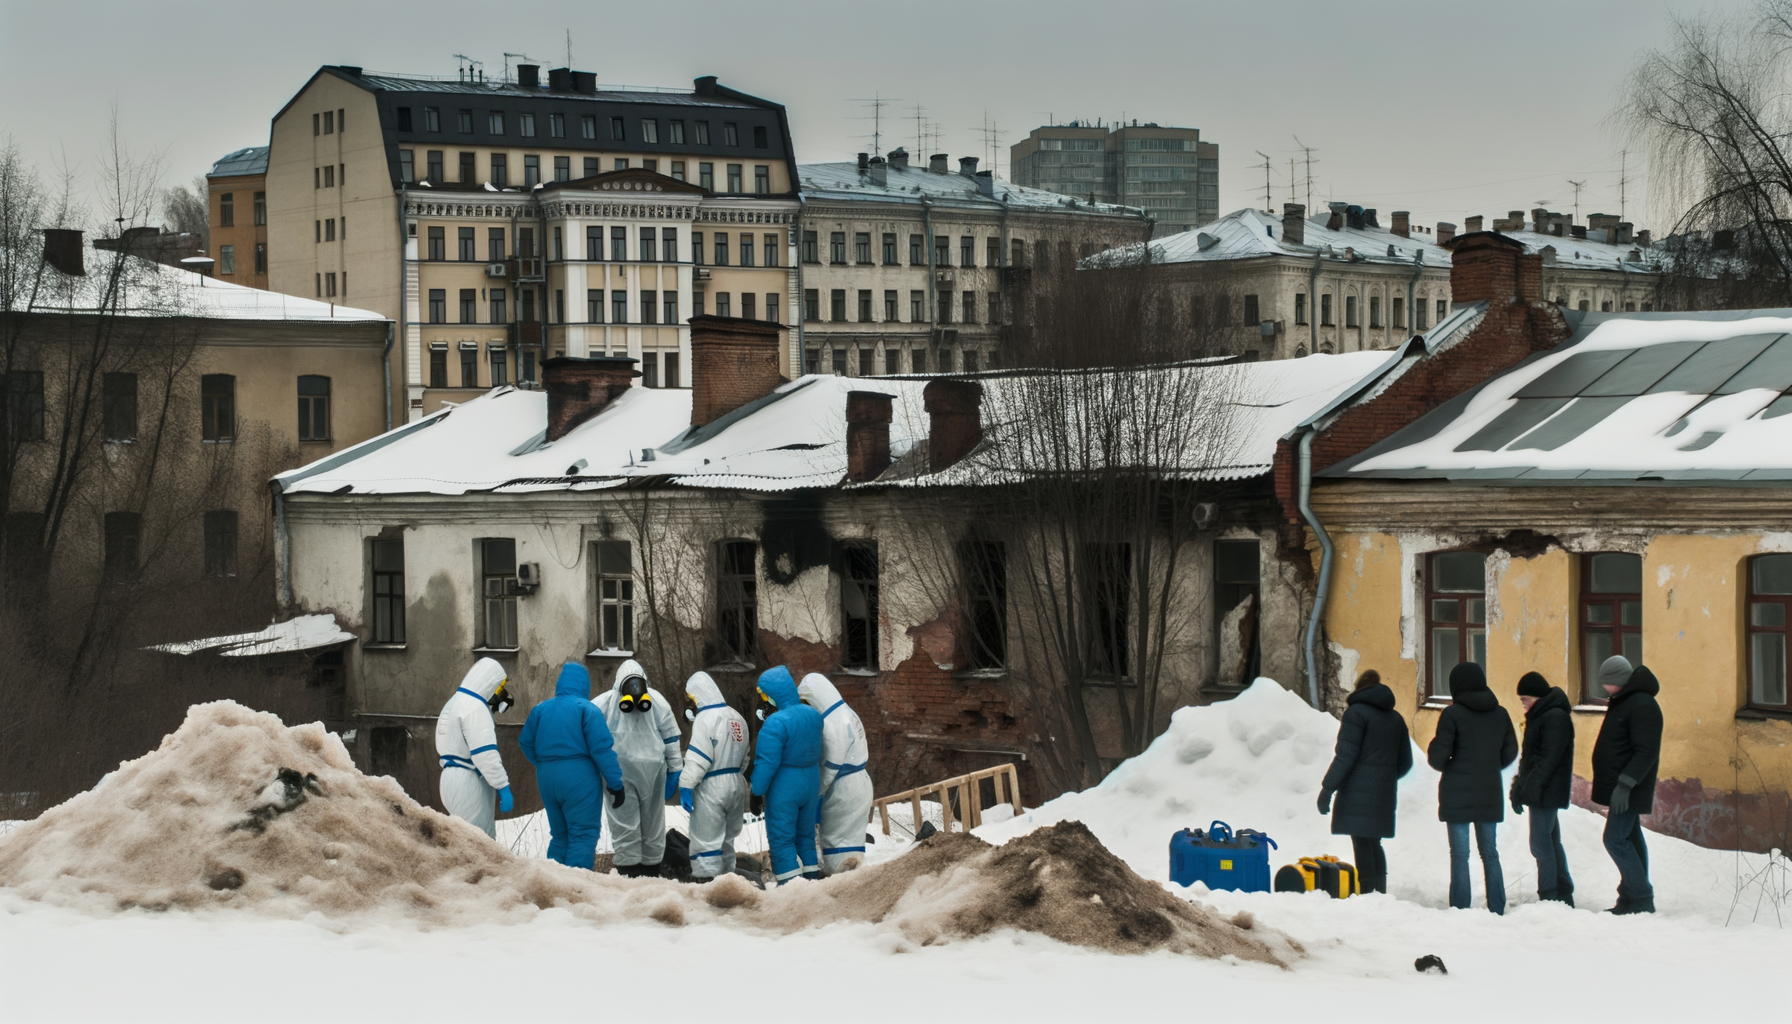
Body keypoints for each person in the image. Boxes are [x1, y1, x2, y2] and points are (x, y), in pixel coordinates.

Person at [1427, 662, 1518, 913]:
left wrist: (1451, 761)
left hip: (1457, 792)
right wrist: (1489, 766)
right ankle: (1497, 907)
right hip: (1489, 790)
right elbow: (1511, 750)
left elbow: (1437, 758)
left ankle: (1460, 908)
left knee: (1460, 855)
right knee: (1490, 853)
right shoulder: (1500, 713)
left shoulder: (1452, 714)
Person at [518, 662, 625, 869]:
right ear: (585, 685)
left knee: (560, 836)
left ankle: (551, 886)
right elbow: (601, 749)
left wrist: (542, 763)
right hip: (579, 777)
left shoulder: (540, 709)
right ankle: (575, 892)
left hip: (546, 777)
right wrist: (615, 783)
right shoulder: (587, 710)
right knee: (582, 834)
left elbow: (525, 742)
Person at [1317, 669, 1412, 895]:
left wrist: (1327, 789)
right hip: (1384, 791)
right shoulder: (1396, 718)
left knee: (1361, 842)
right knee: (1374, 842)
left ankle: (1368, 894)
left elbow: (1345, 756)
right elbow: (1406, 762)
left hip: (1357, 791)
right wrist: (1384, 777)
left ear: (1359, 688)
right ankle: (1379, 893)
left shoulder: (1356, 714)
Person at [593, 659, 683, 878]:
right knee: (653, 822)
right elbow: (671, 740)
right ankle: (650, 871)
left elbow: (589, 734)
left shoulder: (603, 702)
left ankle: (630, 873)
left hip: (618, 772)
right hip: (651, 771)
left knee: (624, 822)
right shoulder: (658, 700)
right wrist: (675, 770)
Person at [1590, 655, 1663, 915]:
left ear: (1619, 680)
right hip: (1621, 785)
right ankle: (1631, 901)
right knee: (1629, 836)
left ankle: (1641, 897)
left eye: (1607, 683)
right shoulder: (1625, 701)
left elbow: (1646, 751)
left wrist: (1625, 784)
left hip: (1628, 787)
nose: (1604, 688)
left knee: (1614, 839)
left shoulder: (1642, 705)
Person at [750, 666, 824, 884]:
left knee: (782, 841)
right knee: (806, 838)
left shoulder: (776, 722)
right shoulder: (813, 715)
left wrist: (756, 791)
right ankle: (812, 882)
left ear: (772, 695)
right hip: (810, 782)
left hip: (784, 786)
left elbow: (766, 763)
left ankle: (791, 892)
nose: (763, 702)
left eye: (764, 696)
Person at [798, 673, 875, 875]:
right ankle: (853, 879)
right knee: (851, 841)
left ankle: (840, 889)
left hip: (843, 789)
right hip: (860, 783)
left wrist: (815, 792)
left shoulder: (832, 723)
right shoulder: (847, 713)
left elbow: (830, 766)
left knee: (836, 845)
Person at [676, 671, 749, 882]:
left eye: (691, 698)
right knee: (727, 841)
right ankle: (727, 883)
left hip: (712, 784)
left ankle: (706, 885)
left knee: (706, 841)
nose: (691, 704)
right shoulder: (737, 717)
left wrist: (686, 785)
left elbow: (699, 758)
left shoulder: (705, 719)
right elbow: (745, 756)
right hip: (736, 781)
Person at [1512, 671, 1575, 906]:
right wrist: (1519, 786)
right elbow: (1529, 757)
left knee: (1540, 844)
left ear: (1536, 697)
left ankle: (1549, 896)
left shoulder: (1554, 717)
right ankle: (1562, 893)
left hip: (1546, 790)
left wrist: (1529, 788)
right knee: (1550, 841)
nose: (1523, 704)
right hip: (1542, 789)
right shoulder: (1541, 715)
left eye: (1524, 699)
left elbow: (1548, 759)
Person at [435, 657, 515, 838]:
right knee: (479, 843)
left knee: (460, 840)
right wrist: (502, 785)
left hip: (448, 778)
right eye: (499, 688)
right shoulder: (476, 708)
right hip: (469, 781)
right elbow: (484, 754)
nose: (499, 693)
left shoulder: (454, 702)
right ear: (490, 682)